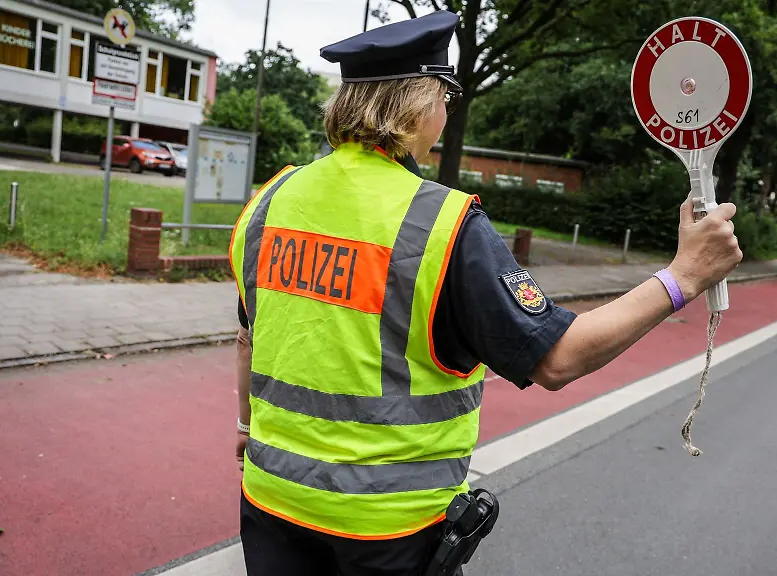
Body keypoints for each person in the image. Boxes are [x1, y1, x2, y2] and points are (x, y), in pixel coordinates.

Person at [228, 10, 742, 576]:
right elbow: (557, 358)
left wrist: (247, 430)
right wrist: (684, 276)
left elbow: (249, 334)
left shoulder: (270, 200)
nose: (447, 112)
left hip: (271, 501)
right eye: (445, 95)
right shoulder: (441, 223)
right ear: (420, 104)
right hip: (385, 528)